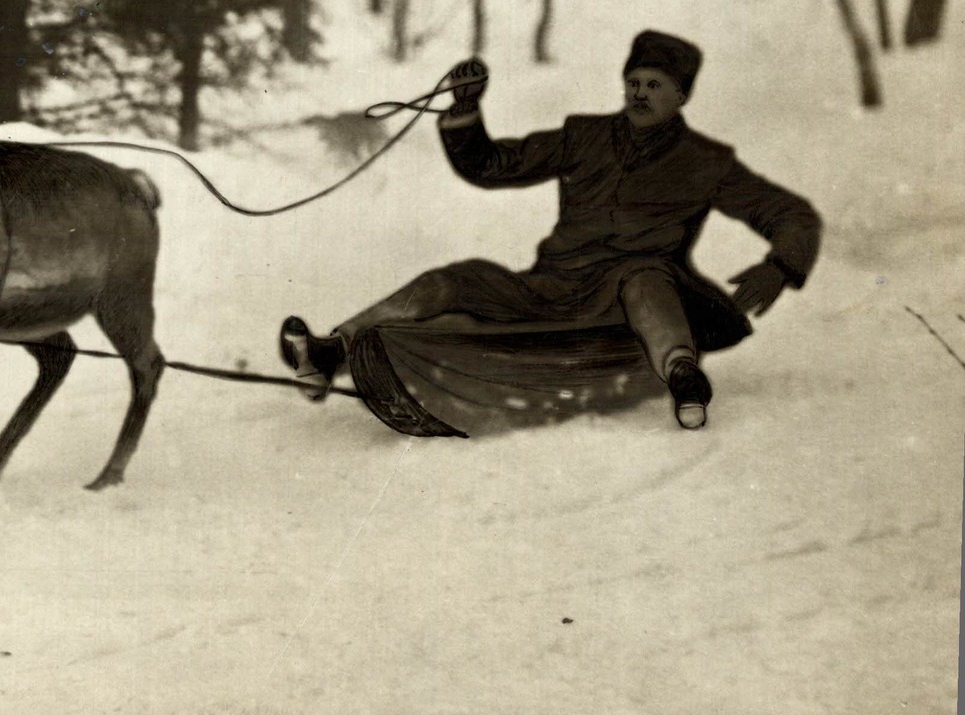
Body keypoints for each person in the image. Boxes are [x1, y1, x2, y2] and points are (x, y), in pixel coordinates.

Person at [280, 30, 821, 430]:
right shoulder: (583, 137)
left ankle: (683, 377)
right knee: (459, 279)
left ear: (682, 96)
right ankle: (332, 352)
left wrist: (781, 267)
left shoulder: (706, 162)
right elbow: (489, 166)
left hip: (628, 302)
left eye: (654, 85)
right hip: (553, 285)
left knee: (644, 276)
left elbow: (793, 215)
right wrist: (466, 111)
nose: (638, 93)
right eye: (632, 82)